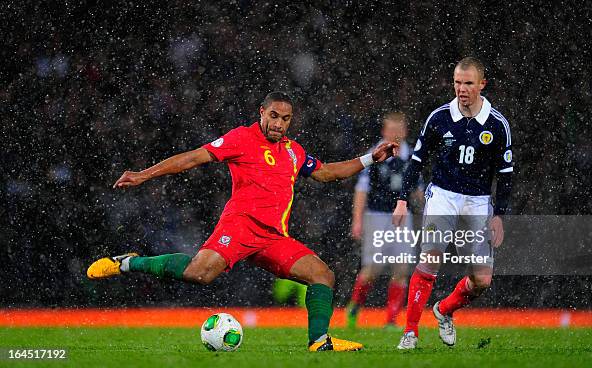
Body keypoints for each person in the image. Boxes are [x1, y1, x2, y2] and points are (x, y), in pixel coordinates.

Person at [87, 91, 399, 352]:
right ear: (262, 112)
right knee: (199, 274)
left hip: (273, 237)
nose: (278, 123)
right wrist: (144, 175)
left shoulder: (293, 151)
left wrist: (372, 157)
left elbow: (327, 172)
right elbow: (194, 157)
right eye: (273, 116)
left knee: (323, 275)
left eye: (285, 119)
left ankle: (320, 341)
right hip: (239, 227)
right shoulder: (241, 138)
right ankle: (129, 263)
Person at [392, 57, 513, 349]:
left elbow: (506, 174)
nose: (462, 89)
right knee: (430, 258)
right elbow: (417, 161)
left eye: (468, 83)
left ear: (482, 84)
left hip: (478, 202)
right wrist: (401, 200)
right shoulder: (439, 118)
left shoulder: (497, 125)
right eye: (458, 82)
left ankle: (444, 310)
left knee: (482, 280)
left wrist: (499, 215)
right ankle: (410, 332)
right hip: (443, 196)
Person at [346, 112, 424, 329]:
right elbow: (361, 190)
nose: (395, 134)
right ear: (384, 132)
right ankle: (355, 305)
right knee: (372, 269)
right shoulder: (375, 154)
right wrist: (357, 220)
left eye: (398, 130)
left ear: (405, 132)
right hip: (376, 216)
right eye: (391, 130)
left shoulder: (412, 157)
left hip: (402, 216)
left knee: (401, 268)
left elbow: (418, 190)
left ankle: (391, 320)